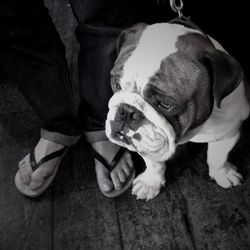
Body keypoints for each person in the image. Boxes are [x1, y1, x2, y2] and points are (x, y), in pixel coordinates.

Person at [1, 0, 248, 198]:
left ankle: (216, 167)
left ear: (219, 84)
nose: (128, 116)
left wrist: (219, 166)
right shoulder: (135, 38)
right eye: (119, 85)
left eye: (164, 103)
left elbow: (227, 132)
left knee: (100, 10)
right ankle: (61, 126)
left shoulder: (224, 89)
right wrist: (153, 174)